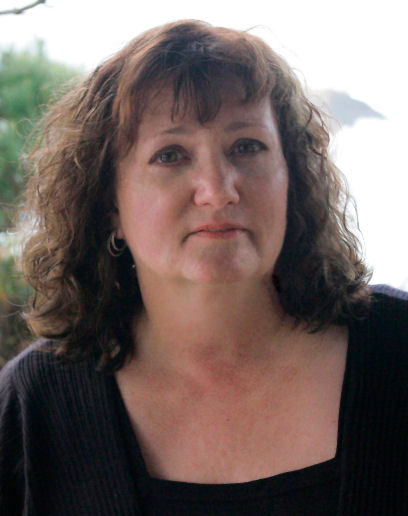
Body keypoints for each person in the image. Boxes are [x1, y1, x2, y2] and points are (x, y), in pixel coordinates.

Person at [0, 19, 407, 516]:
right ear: (109, 205)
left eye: (247, 146)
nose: (218, 190)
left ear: (292, 176)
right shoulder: (35, 406)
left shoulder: (398, 349)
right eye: (170, 155)